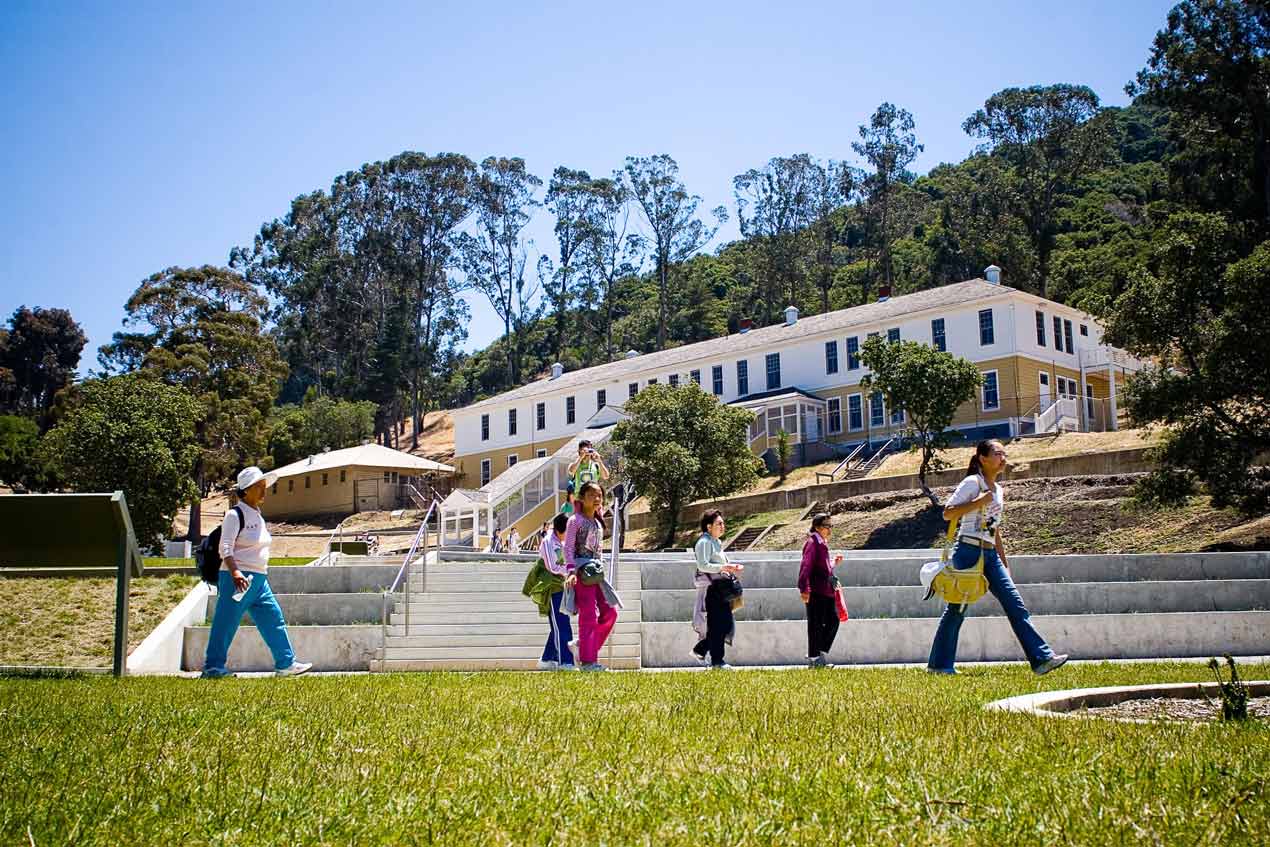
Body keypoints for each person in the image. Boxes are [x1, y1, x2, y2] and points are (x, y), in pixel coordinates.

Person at [926, 439, 1068, 676]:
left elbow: (995, 529)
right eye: (997, 453)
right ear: (982, 458)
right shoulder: (973, 482)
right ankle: (939, 665)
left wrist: (1004, 563)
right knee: (957, 608)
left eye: (1004, 453)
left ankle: (1042, 659)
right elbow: (948, 513)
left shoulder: (999, 490)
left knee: (1015, 604)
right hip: (968, 550)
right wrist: (978, 502)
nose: (1003, 457)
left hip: (990, 554)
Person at [202, 466, 312, 678]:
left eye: (264, 486)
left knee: (273, 619)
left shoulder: (258, 516)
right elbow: (225, 547)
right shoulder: (235, 515)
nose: (264, 491)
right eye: (258, 487)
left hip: (259, 581)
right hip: (238, 579)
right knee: (225, 622)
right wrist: (235, 573)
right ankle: (213, 668)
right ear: (245, 490)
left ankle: (285, 664)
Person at [563, 481, 617, 671]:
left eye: (599, 496)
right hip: (581, 573)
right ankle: (588, 661)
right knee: (588, 616)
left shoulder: (597, 521)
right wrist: (570, 571)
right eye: (592, 495)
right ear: (582, 498)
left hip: (597, 574)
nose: (596, 499)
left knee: (610, 612)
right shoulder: (574, 521)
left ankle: (583, 647)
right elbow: (568, 547)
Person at [690, 510, 744, 669]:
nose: (722, 526)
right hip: (713, 589)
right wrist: (724, 567)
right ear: (708, 527)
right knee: (718, 625)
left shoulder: (716, 542)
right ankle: (717, 661)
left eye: (722, 523)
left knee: (725, 624)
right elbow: (703, 565)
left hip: (722, 589)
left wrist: (730, 567)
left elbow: (718, 564)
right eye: (719, 523)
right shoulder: (704, 542)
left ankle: (701, 649)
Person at [799, 512, 842, 668]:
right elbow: (806, 566)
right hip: (816, 591)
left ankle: (816, 652)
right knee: (815, 624)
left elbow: (822, 567)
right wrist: (804, 588)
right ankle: (814, 658)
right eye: (826, 526)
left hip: (826, 590)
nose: (829, 529)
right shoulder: (812, 543)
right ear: (817, 527)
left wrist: (833, 563)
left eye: (831, 526)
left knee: (833, 621)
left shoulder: (822, 543)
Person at [536, 513, 575, 670]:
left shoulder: (563, 542)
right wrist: (571, 571)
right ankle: (565, 662)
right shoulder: (548, 542)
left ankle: (546, 660)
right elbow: (552, 567)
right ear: (561, 530)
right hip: (552, 587)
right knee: (562, 624)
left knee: (558, 625)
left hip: (563, 586)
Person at [563, 441, 610, 515]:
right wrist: (580, 457)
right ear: (579, 451)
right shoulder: (576, 464)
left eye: (589, 450)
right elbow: (571, 471)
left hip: (594, 500)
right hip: (580, 500)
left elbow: (606, 476)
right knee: (581, 524)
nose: (587, 453)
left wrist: (599, 461)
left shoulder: (596, 465)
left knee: (596, 524)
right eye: (584, 450)